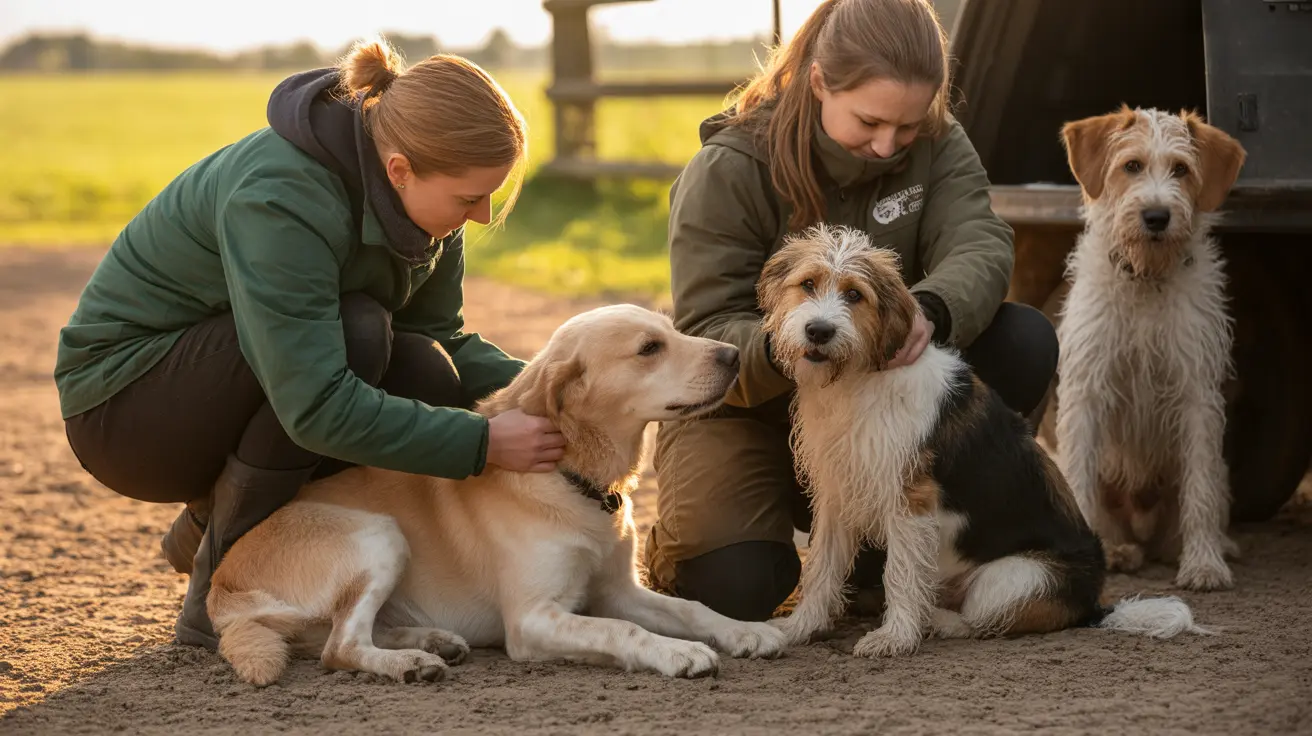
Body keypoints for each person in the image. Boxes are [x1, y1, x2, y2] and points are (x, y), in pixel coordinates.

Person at [54, 39, 566, 650]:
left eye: (489, 195)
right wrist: (482, 441)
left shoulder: (425, 202)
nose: (482, 216)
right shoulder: (278, 195)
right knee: (356, 335)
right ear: (399, 168)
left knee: (424, 370)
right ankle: (215, 594)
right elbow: (315, 404)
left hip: (243, 381)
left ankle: (210, 522)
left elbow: (440, 341)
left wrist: (561, 389)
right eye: (468, 198)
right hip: (126, 411)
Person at [644, 0, 1058, 622]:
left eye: (908, 127)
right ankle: (680, 549)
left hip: (885, 400)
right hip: (748, 407)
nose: (888, 144)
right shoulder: (729, 168)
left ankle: (882, 559)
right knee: (736, 586)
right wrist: (809, 339)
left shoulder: (940, 141)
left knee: (1022, 339)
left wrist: (928, 310)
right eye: (869, 121)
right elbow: (706, 329)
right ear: (817, 83)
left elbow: (981, 240)